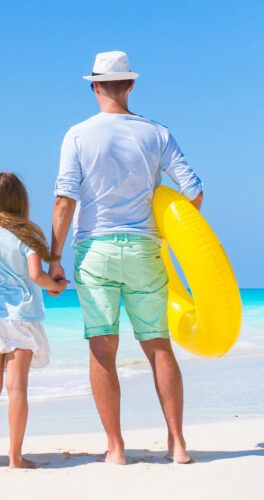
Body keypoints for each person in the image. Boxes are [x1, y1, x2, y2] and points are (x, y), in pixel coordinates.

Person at [48, 51, 202, 465]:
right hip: (144, 249)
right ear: (131, 85)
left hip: (95, 250)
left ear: (95, 86)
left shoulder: (77, 135)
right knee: (158, 345)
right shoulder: (157, 133)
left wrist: (54, 259)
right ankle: (178, 443)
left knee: (103, 348)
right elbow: (194, 193)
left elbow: (64, 201)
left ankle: (115, 448)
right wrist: (174, 235)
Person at [0, 172, 68, 469]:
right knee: (17, 388)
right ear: (21, 200)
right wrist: (57, 285)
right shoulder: (27, 235)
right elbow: (36, 276)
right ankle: (15, 456)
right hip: (22, 317)